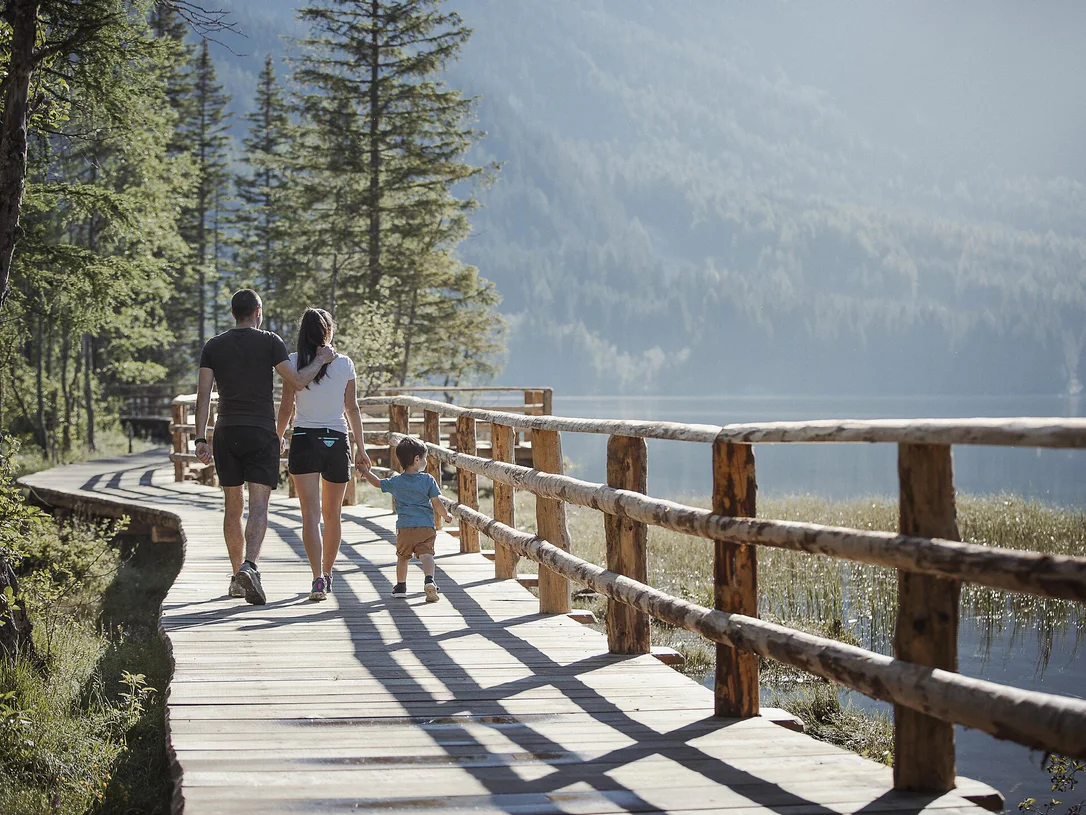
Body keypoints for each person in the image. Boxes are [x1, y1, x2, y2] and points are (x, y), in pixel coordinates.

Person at [194, 289, 333, 605]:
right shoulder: (270, 341)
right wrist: (322, 359)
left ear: (233, 313)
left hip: (226, 431)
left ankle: (236, 579)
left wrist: (200, 439)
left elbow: (203, 396)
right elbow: (296, 382)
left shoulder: (213, 346)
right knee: (258, 505)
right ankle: (250, 566)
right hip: (260, 431)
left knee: (233, 505)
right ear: (258, 311)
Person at [276, 307, 371, 601]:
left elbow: (287, 405)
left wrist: (277, 436)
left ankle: (317, 577)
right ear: (329, 332)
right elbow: (352, 408)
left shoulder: (293, 362)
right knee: (333, 516)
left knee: (310, 516)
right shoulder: (345, 365)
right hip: (336, 440)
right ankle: (328, 575)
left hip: (304, 439)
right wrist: (361, 448)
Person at [359, 436, 451, 602]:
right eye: (424, 458)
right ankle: (429, 580)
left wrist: (366, 472)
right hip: (425, 527)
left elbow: (378, 484)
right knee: (427, 556)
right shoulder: (428, 479)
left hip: (404, 528)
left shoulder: (396, 481)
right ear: (417, 459)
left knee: (402, 557)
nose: (425, 461)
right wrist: (446, 515)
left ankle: (401, 586)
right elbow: (436, 503)